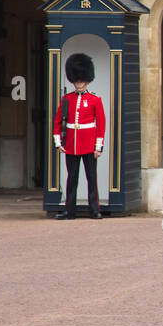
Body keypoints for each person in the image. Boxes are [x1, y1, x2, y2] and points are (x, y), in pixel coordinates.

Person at [53, 52, 106, 220]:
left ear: (87, 80)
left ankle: (94, 210)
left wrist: (98, 147)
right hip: (71, 144)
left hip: (89, 144)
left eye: (82, 81)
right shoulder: (67, 99)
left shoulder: (95, 99)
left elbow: (101, 125)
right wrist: (58, 142)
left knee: (91, 178)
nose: (79, 84)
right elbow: (58, 121)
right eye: (77, 81)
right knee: (72, 179)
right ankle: (70, 211)